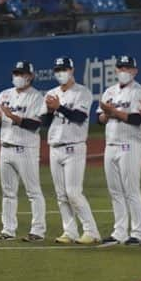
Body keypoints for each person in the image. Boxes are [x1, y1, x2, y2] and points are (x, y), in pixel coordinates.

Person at [42, 56, 101, 245]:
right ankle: (70, 232)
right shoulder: (51, 93)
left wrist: (59, 107)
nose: (61, 73)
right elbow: (44, 123)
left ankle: (91, 231)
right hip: (55, 147)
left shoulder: (82, 92)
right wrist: (51, 111)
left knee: (73, 192)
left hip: (74, 147)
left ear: (72, 70)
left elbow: (79, 116)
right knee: (61, 195)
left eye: (64, 69)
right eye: (58, 70)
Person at [0, 60, 46, 243]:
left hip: (26, 149)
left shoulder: (36, 97)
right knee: (8, 192)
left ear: (30, 77)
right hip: (5, 148)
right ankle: (8, 230)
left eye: (21, 74)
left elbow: (35, 124)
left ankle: (37, 231)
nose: (18, 77)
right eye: (16, 73)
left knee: (33, 191)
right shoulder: (4, 95)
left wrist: (12, 116)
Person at [97, 55, 141, 246]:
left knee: (131, 189)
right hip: (111, 144)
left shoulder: (140, 92)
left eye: (128, 68)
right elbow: (99, 119)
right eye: (121, 68)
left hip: (131, 144)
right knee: (115, 191)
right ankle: (119, 231)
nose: (124, 71)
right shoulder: (109, 91)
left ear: (135, 71)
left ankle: (138, 231)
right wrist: (105, 114)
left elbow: (137, 119)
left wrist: (114, 113)